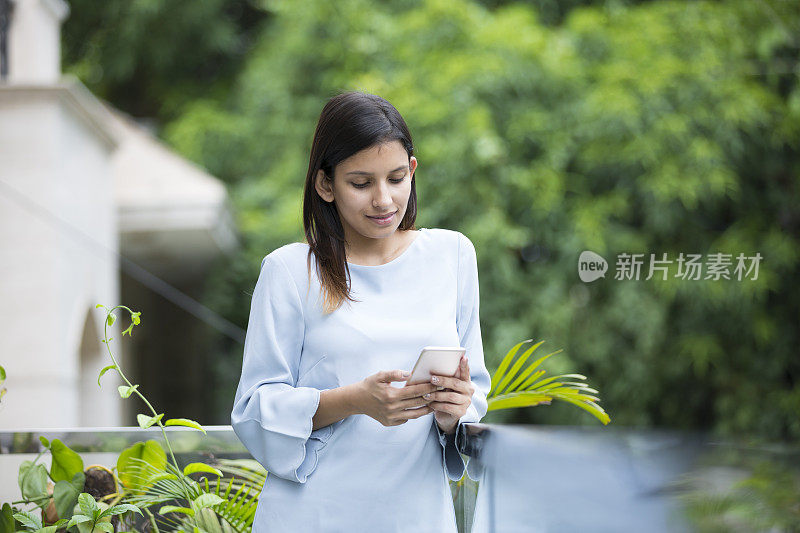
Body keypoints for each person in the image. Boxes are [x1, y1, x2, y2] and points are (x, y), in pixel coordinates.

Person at [230, 91, 491, 532]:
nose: (384, 200)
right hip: (314, 514)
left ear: (412, 170)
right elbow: (254, 409)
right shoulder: (289, 272)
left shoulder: (453, 255)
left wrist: (454, 414)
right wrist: (354, 401)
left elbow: (473, 400)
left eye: (395, 178)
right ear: (325, 185)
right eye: (361, 183)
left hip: (417, 515)